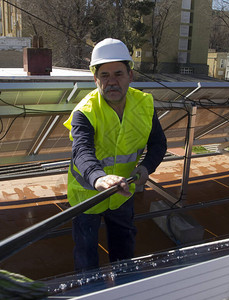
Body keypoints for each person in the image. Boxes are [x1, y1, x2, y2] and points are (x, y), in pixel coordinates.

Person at [63, 38, 167, 272]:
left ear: (131, 75)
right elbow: (81, 150)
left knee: (124, 248)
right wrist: (98, 177)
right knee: (86, 252)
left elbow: (159, 143)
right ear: (95, 79)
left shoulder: (144, 105)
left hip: (123, 191)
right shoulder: (85, 112)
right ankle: (90, 292)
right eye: (105, 75)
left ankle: (123, 287)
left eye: (118, 74)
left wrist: (146, 168)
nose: (112, 82)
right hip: (87, 195)